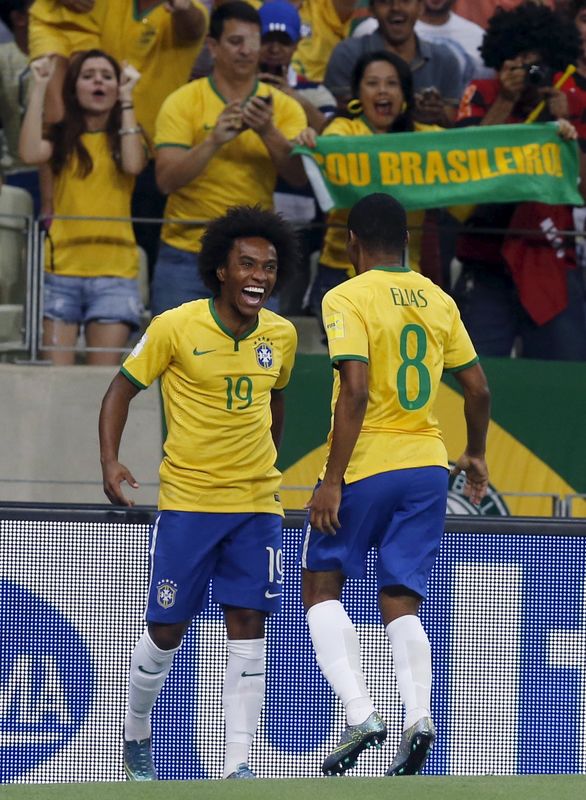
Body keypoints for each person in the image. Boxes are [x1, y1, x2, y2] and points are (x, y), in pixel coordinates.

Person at [98, 205, 298, 781]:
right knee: (166, 631)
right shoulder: (175, 326)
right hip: (189, 504)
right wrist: (111, 463)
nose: (259, 276)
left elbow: (276, 399)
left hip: (257, 506)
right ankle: (136, 733)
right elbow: (120, 389)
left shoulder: (281, 335)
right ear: (221, 271)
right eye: (247, 264)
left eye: (269, 266)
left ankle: (239, 765)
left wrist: (269, 460)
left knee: (250, 628)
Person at [301, 192, 490, 777]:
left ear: (353, 243)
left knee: (321, 585)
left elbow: (355, 389)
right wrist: (476, 453)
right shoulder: (439, 298)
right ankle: (418, 718)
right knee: (401, 597)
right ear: (405, 242)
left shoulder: (346, 295)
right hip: (428, 466)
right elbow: (479, 389)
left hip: (366, 462)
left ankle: (360, 712)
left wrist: (331, 480)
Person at [150, 1, 307, 317]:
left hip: (256, 258)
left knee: (256, 362)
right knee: (175, 361)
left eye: (253, 42)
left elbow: (299, 176)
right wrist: (213, 140)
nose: (247, 51)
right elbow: (165, 180)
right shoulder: (182, 101)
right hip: (185, 254)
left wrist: (267, 131)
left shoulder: (284, 107)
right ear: (212, 46)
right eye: (236, 42)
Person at [453, 1, 586, 359]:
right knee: (474, 372)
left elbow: (582, 189)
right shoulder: (482, 92)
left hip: (550, 261)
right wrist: (506, 102)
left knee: (564, 378)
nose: (530, 72)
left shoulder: (570, 101)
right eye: (519, 60)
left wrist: (568, 134)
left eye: (537, 62)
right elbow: (462, 165)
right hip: (486, 258)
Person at [299, 50, 444, 334]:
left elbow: (479, 149)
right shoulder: (342, 131)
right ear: (357, 93)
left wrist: (553, 132)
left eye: (392, 84)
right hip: (341, 274)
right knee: (351, 371)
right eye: (373, 83)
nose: (382, 91)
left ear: (404, 95)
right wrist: (312, 142)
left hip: (407, 282)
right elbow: (331, 149)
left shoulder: (428, 139)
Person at [18, 49, 146, 365]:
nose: (98, 82)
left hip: (115, 274)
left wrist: (128, 98)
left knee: (100, 384)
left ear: (117, 87)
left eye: (107, 76)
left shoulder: (127, 135)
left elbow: (133, 165)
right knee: (56, 383)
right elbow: (30, 153)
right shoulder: (62, 138)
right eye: (88, 77)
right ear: (74, 89)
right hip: (61, 271)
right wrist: (40, 87)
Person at [258, 0, 337, 315]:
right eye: (268, 40)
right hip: (250, 206)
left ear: (295, 46)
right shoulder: (233, 89)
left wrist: (294, 100)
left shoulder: (315, 92)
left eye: (284, 41)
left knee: (283, 317)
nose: (275, 49)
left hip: (298, 220)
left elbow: (335, 137)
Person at [325, 0, 465, 126]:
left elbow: (450, 126)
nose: (396, 7)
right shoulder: (347, 54)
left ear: (421, 7)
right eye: (385, 1)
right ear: (372, 10)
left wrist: (437, 115)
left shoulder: (445, 60)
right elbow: (339, 117)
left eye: (405, 0)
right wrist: (408, 109)